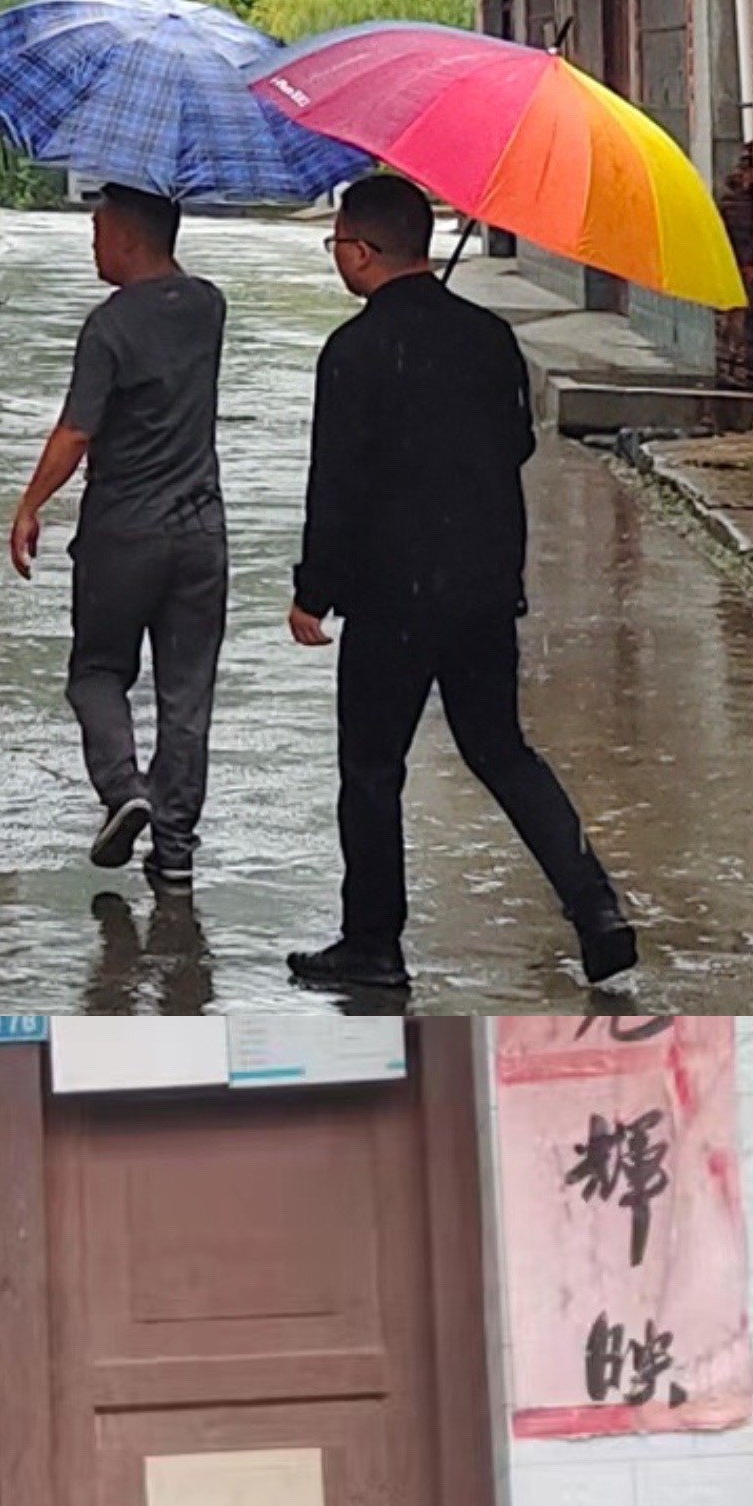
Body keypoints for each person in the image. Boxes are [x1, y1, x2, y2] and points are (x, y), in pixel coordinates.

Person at [285, 170, 638, 998]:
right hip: (482, 587)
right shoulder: (488, 337)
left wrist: (314, 590)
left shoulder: (355, 351)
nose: (336, 256)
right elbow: (515, 443)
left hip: (392, 597)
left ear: (365, 253)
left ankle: (373, 943)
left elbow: (335, 483)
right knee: (502, 750)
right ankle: (597, 911)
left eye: (337, 243)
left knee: (373, 768)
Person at [7, 184, 228, 887]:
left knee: (99, 673)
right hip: (201, 533)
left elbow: (76, 433)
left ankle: (122, 789)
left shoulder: (107, 328)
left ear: (130, 239)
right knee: (186, 695)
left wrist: (29, 505)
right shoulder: (208, 306)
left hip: (123, 532)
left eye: (99, 229)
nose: (92, 243)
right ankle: (176, 853)